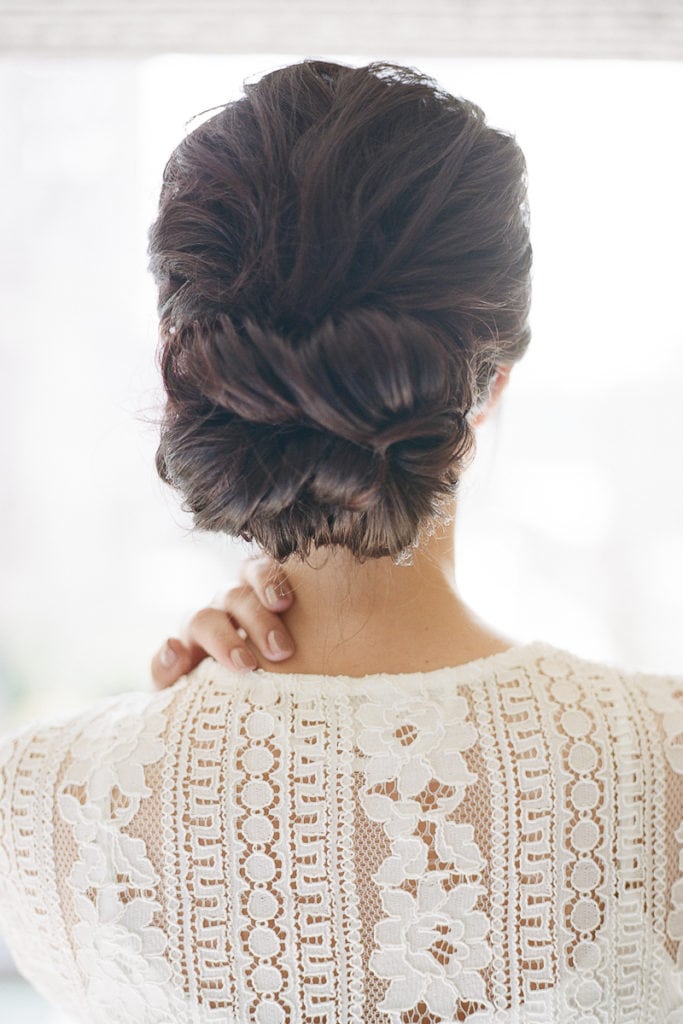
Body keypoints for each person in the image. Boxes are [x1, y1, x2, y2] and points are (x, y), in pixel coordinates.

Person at [0, 58, 681, 1024]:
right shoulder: (665, 761)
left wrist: (170, 746)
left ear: (183, 371)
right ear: (489, 384)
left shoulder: (42, 804)